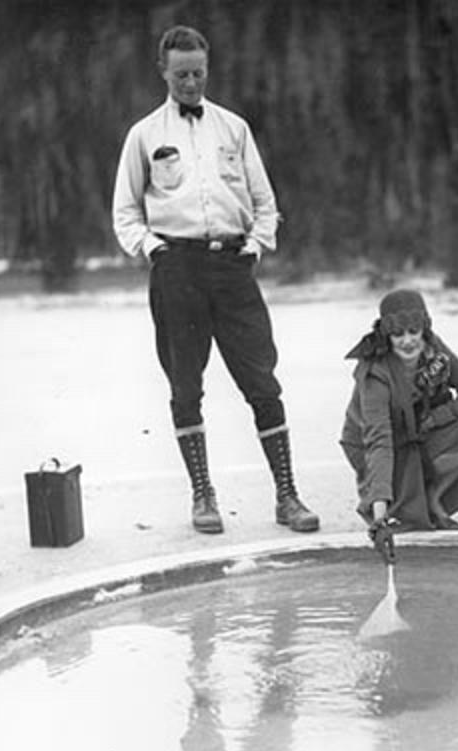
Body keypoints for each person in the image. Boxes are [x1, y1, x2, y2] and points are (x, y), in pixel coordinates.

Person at [112, 25, 318, 535]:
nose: (190, 83)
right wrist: (153, 249)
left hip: (231, 266)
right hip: (176, 270)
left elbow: (266, 204)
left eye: (198, 73)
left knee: (262, 381)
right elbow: (125, 214)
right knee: (186, 385)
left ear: (208, 69)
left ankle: (287, 495)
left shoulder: (234, 129)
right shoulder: (144, 135)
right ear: (163, 71)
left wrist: (255, 245)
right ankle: (203, 496)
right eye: (181, 74)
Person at [340, 289, 458, 556]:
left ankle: (434, 497)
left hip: (418, 430)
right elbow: (378, 443)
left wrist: (435, 419)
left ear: (424, 329)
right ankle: (398, 506)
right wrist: (380, 517)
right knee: (409, 517)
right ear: (386, 335)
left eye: (414, 331)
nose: (408, 341)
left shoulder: (434, 349)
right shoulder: (375, 374)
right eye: (398, 334)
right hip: (375, 444)